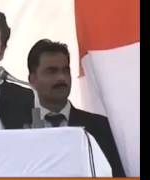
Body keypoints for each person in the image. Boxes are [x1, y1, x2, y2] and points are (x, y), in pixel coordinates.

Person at [27, 38, 126, 177]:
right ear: (32, 80)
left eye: (65, 70)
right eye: (51, 71)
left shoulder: (102, 127)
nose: (61, 78)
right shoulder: (17, 127)